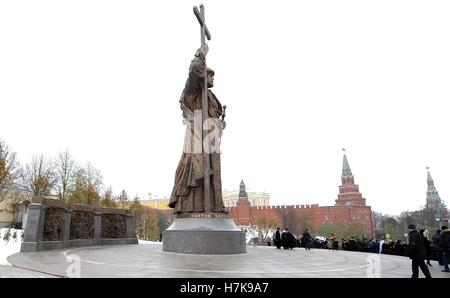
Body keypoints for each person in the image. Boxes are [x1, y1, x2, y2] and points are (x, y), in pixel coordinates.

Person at [168, 44, 227, 214]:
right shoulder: (194, 91)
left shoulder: (211, 97)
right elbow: (194, 70)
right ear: (203, 76)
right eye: (210, 74)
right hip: (197, 141)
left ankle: (215, 207)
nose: (213, 78)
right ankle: (191, 207)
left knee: (214, 175)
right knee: (194, 171)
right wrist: (200, 54)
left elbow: (213, 118)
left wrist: (220, 125)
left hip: (212, 142)